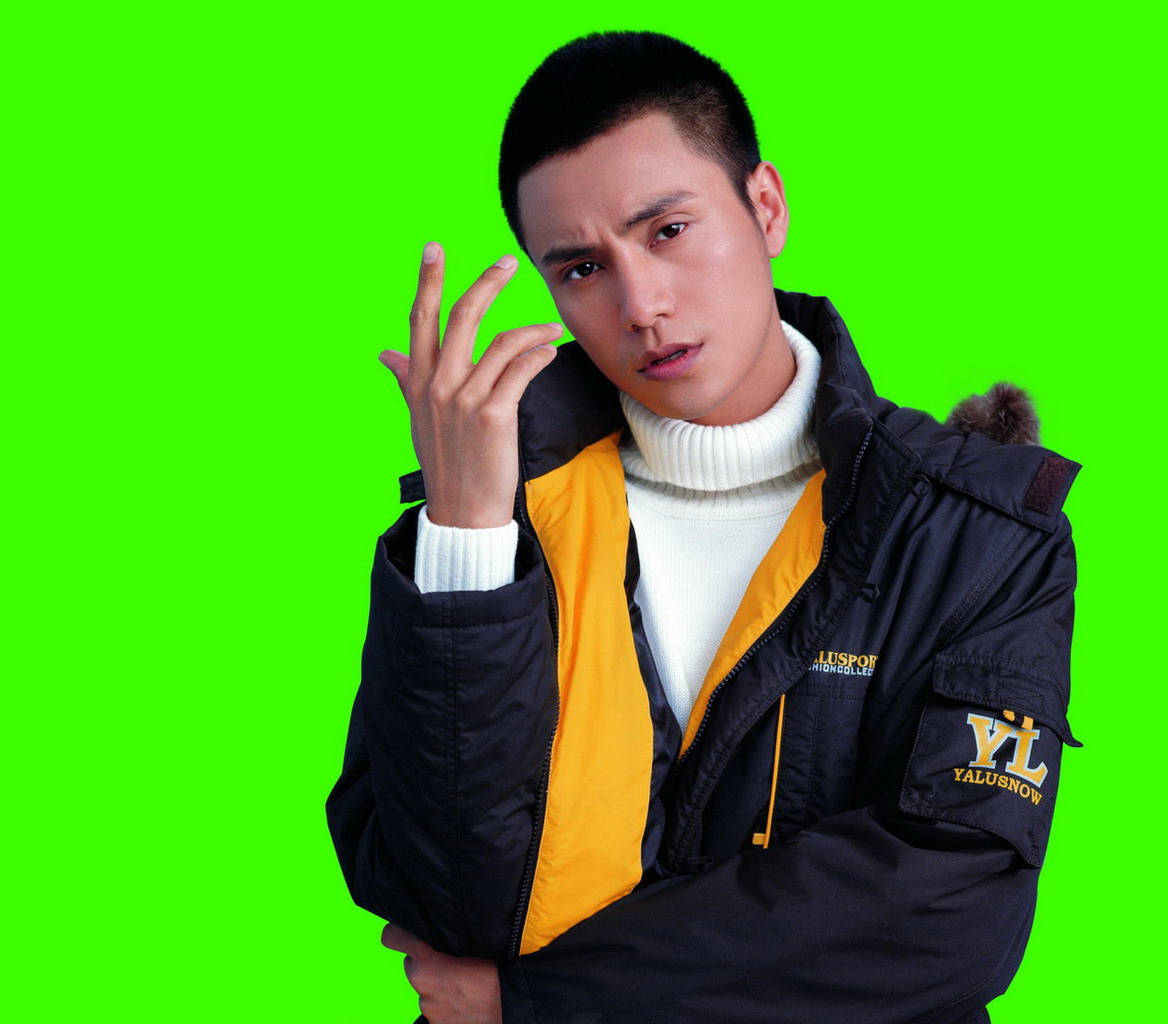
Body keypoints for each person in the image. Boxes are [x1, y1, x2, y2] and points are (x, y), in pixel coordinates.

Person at [327, 30, 1081, 1024]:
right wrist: (465, 532)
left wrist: (538, 1001)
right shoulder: (499, 521)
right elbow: (449, 899)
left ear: (765, 208)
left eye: (668, 230)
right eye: (581, 269)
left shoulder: (975, 531)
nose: (640, 304)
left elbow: (949, 912)